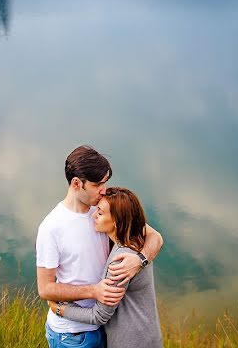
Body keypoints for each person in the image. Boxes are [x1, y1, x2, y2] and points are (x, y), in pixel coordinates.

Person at [36, 145, 163, 348]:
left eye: (105, 182)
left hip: (105, 327)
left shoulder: (106, 207)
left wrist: (140, 260)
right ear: (77, 184)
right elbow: (45, 289)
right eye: (98, 184)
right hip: (73, 335)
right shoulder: (51, 227)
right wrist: (93, 291)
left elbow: (155, 236)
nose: (103, 190)